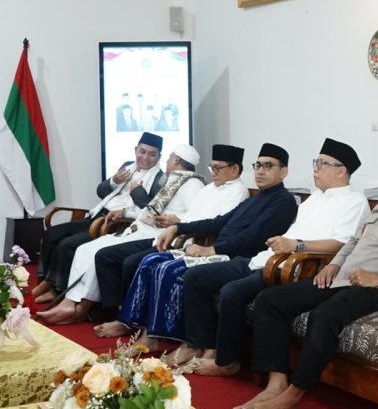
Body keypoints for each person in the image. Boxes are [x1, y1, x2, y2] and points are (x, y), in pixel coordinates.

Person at [235, 138, 378, 409]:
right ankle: (276, 383)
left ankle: (292, 396)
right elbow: (354, 242)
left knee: (325, 316)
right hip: (344, 278)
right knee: (271, 300)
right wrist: (335, 265)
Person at [187, 138, 371, 375]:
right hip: (266, 259)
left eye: (322, 163)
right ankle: (203, 347)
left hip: (294, 267)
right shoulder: (314, 198)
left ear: (341, 171)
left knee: (231, 292)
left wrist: (297, 245)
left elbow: (342, 244)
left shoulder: (354, 202)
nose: (315, 167)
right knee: (196, 277)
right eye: (316, 162)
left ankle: (227, 362)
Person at [111, 143, 297, 361]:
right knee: (152, 261)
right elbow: (219, 223)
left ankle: (188, 342)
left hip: (240, 258)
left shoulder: (284, 202)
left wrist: (211, 249)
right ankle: (149, 334)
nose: (260, 171)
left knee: (169, 270)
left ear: (283, 172)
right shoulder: (256, 199)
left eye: (268, 166)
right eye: (258, 165)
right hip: (222, 251)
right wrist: (178, 228)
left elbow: (253, 239)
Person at [93, 144, 250, 337]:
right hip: (178, 236)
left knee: (136, 262)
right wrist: (177, 225)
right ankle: (128, 319)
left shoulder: (238, 192)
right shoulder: (209, 189)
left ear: (234, 169)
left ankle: (135, 324)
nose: (213, 173)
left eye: (218, 168)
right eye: (212, 168)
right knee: (129, 260)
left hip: (197, 244)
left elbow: (218, 224)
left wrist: (179, 225)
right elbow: (191, 215)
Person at [37, 144, 204, 324]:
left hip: (155, 235)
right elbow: (151, 211)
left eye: (169, 157)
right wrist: (126, 213)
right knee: (85, 250)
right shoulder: (173, 180)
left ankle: (80, 308)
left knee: (99, 254)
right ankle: (70, 301)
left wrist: (176, 219)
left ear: (177, 160)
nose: (167, 161)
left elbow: (197, 215)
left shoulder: (192, 184)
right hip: (139, 228)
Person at [32, 132, 164, 303]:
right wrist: (114, 181)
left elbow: (150, 210)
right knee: (52, 234)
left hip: (116, 223)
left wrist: (136, 191)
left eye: (152, 154)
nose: (145, 158)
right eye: (142, 151)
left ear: (159, 156)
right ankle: (47, 281)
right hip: (97, 214)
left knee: (67, 245)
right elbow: (101, 192)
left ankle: (57, 288)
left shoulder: (160, 179)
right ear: (135, 150)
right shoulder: (127, 166)